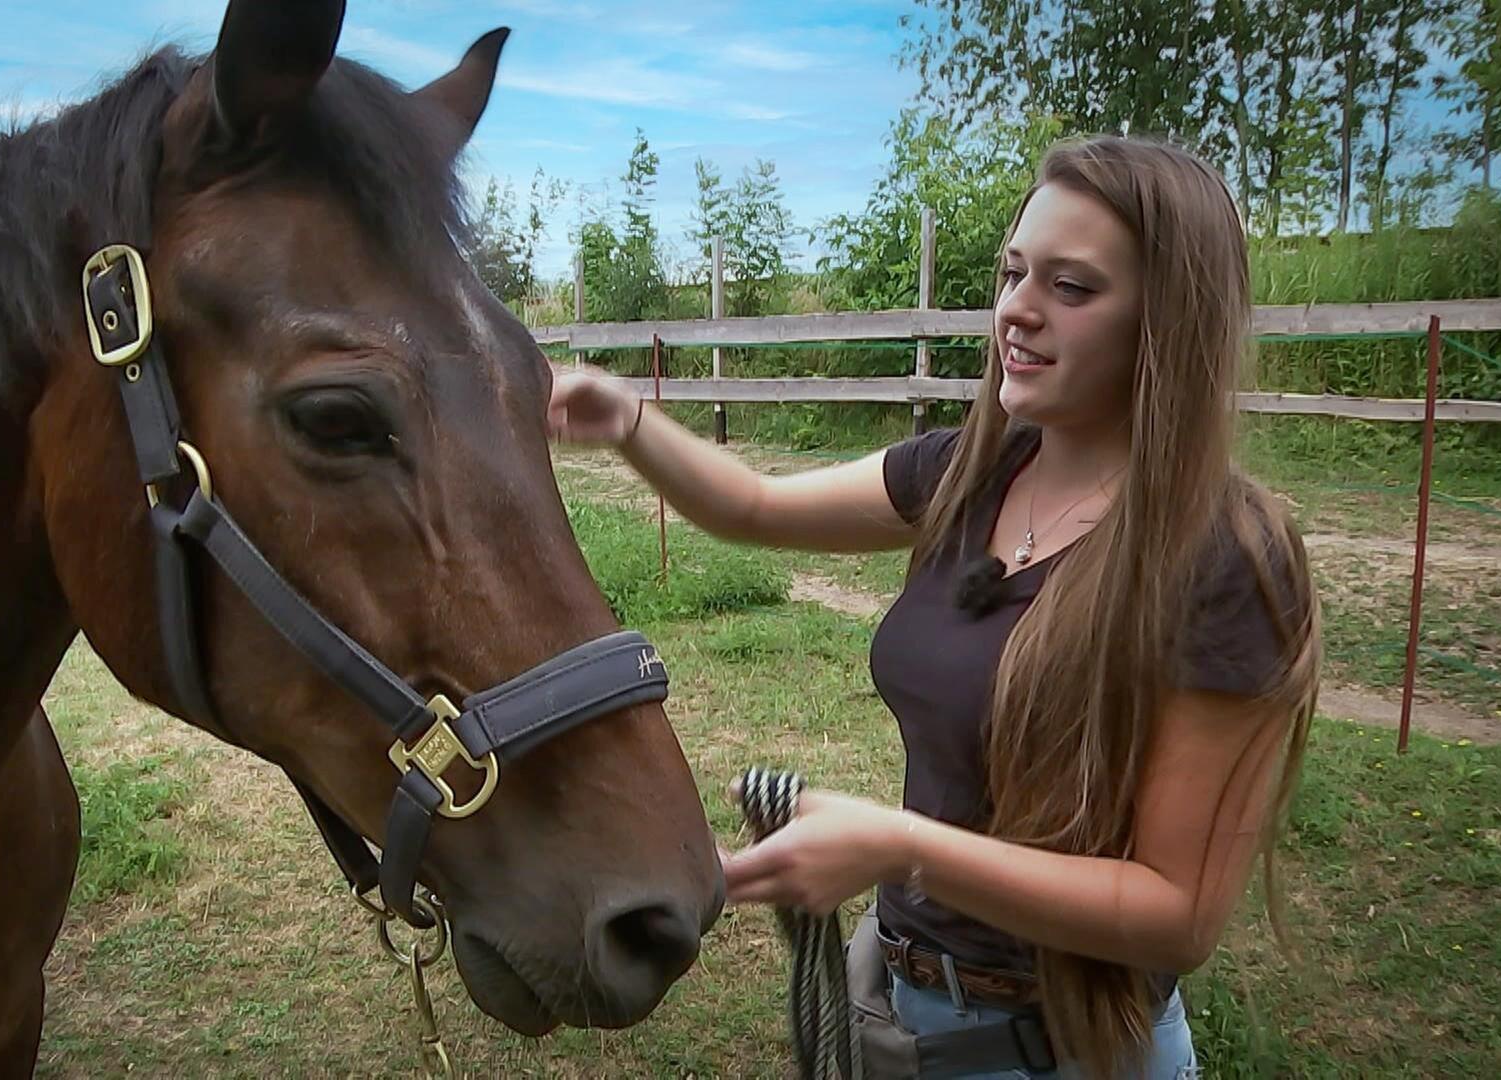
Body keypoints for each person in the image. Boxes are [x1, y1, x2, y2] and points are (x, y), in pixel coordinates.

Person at [545, 135, 1321, 1079]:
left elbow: (1179, 914)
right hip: (907, 1016)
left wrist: (899, 846)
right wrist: (629, 420)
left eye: (1071, 287)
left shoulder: (1225, 559)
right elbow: (754, 507)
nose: (1016, 310)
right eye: (1013, 273)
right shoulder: (972, 471)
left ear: (1167, 320)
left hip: (1066, 1051)